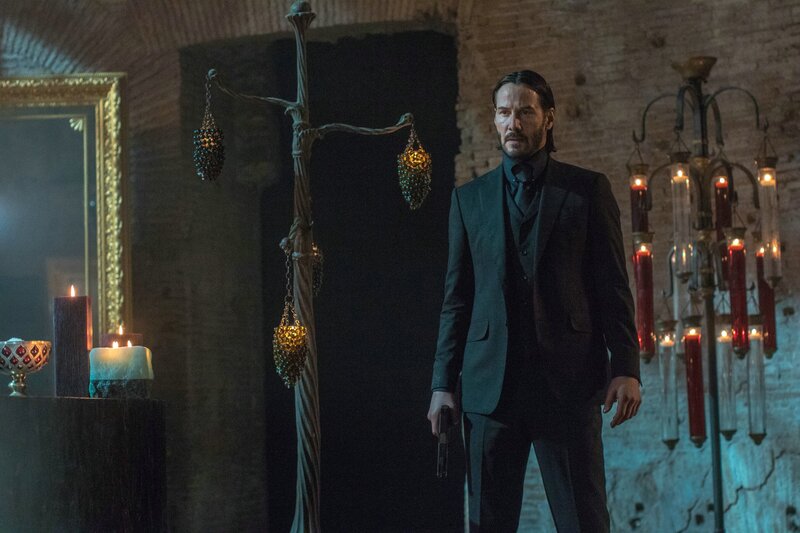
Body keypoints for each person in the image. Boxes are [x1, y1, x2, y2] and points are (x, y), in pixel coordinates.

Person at [427, 70, 641, 532]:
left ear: (549, 118)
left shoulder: (587, 190)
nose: (513, 123)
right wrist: (442, 383)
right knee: (487, 524)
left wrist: (626, 367)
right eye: (504, 113)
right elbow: (456, 299)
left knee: (584, 522)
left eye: (525, 111)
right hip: (489, 391)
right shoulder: (468, 200)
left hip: (568, 385)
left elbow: (612, 286)